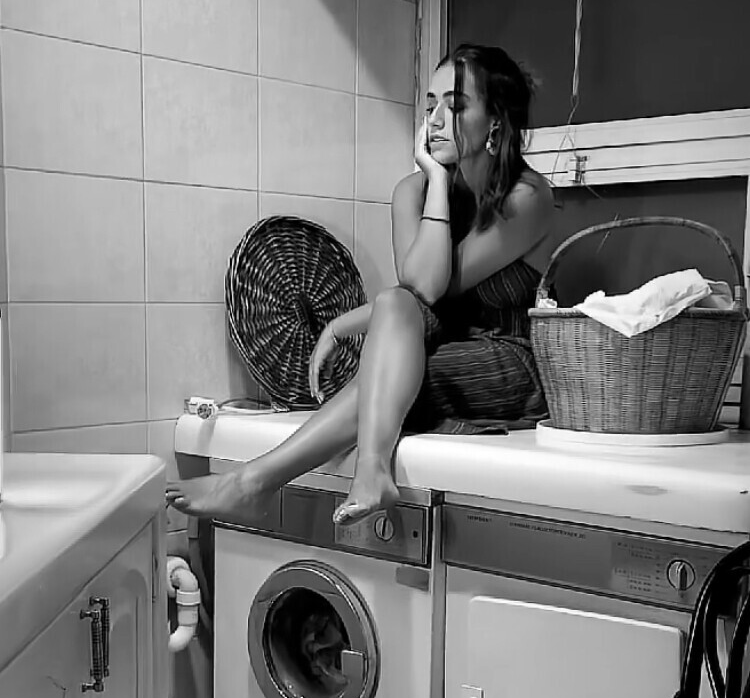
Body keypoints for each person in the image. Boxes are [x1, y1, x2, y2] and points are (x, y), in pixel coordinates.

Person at [166, 43, 556, 528]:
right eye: (429, 106)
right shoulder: (410, 191)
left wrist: (434, 181)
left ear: (495, 122)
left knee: (386, 375)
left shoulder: (528, 197)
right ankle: (365, 470)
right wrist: (433, 183)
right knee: (395, 309)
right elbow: (412, 296)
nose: (435, 120)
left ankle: (256, 481)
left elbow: (432, 286)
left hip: (505, 362)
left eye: (455, 106)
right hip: (436, 347)